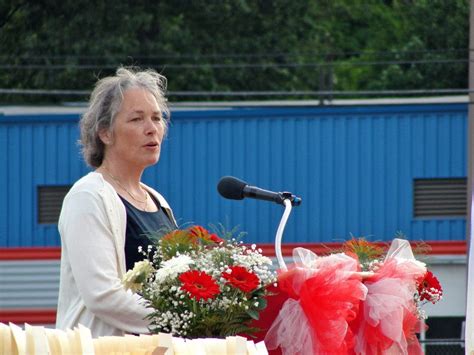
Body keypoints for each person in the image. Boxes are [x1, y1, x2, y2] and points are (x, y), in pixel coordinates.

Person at [56, 67, 177, 338]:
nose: (151, 129)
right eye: (136, 119)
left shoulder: (158, 201)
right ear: (105, 133)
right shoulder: (87, 196)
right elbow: (103, 295)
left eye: (157, 118)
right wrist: (181, 319)